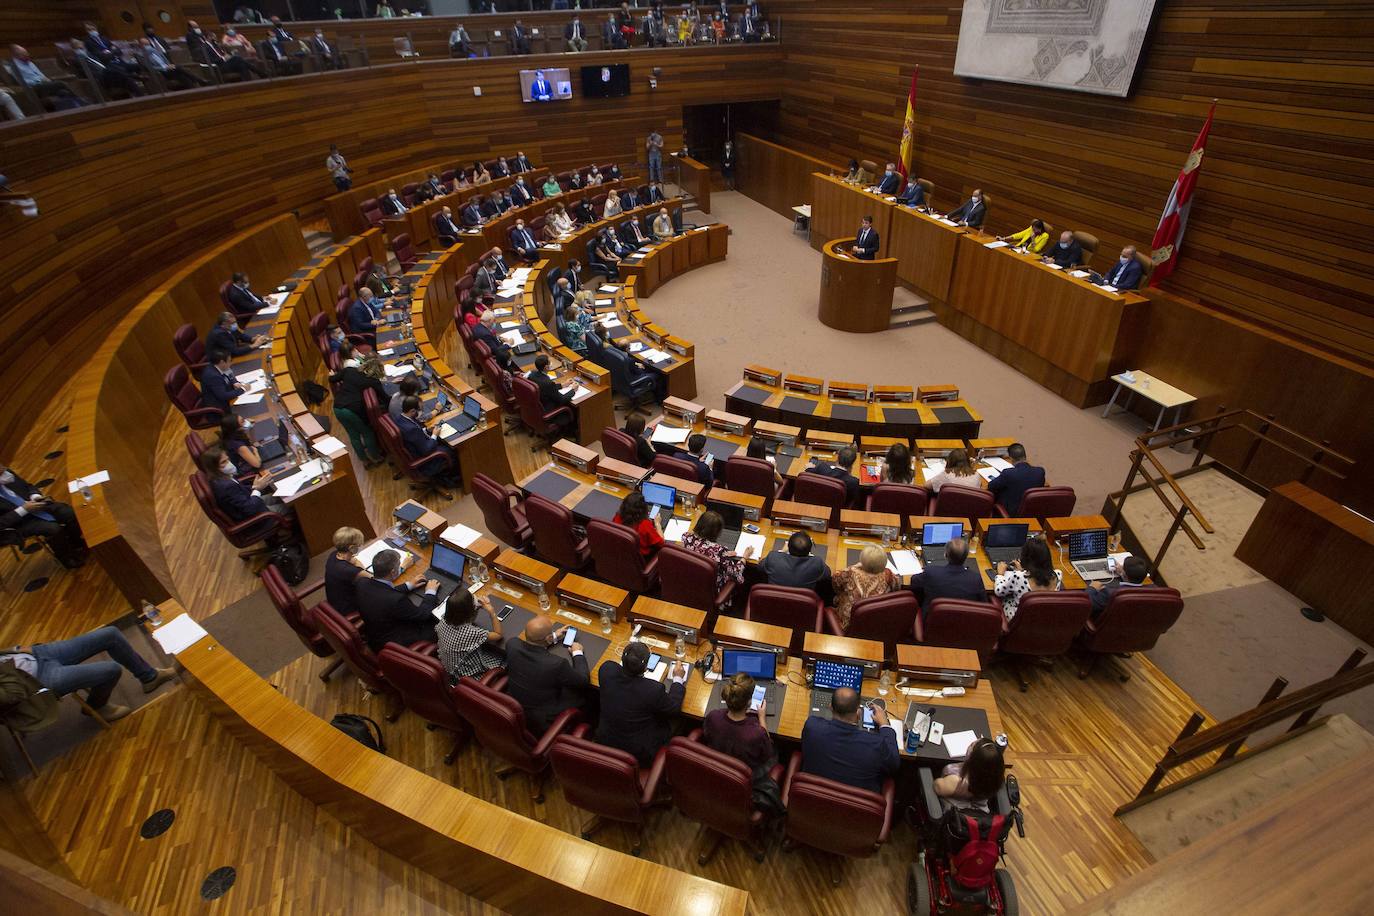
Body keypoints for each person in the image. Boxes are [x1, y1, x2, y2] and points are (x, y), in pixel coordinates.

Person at [0, 627, 175, 724]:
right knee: (110, 670)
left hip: (37, 654)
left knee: (110, 634)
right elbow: (12, 696)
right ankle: (97, 706)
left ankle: (149, 677)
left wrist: (18, 650)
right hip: (37, 682)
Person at [595, 641, 688, 766]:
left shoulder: (606, 670)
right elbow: (674, 708)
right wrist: (677, 678)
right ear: (645, 667)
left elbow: (616, 669)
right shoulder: (653, 690)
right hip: (638, 753)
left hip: (605, 740)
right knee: (682, 721)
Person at [800, 687, 901, 794]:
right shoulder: (875, 744)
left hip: (812, 801)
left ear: (830, 707)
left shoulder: (812, 727)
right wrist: (885, 725)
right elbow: (894, 765)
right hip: (854, 807)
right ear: (858, 713)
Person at [504, 615, 588, 733]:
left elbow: (532, 644)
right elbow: (583, 681)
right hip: (541, 717)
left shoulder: (512, 644)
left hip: (515, 703)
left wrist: (553, 637)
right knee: (585, 695)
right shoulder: (556, 664)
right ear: (547, 638)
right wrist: (577, 652)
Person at [0, 465, 88, 567]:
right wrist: (23, 510)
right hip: (16, 524)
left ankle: (75, 543)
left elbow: (28, 486)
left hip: (34, 505)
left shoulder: (5, 473)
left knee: (68, 512)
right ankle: (66, 558)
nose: (2, 467)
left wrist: (35, 496)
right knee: (52, 529)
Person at [355, 549, 440, 652]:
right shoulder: (396, 600)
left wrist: (408, 585)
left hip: (375, 635)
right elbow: (422, 615)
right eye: (399, 564)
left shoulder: (362, 583)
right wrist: (430, 592)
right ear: (393, 572)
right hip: (396, 643)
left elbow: (382, 591)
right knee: (439, 622)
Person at [328, 342, 387, 467]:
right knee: (367, 433)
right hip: (352, 409)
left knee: (353, 435)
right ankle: (376, 458)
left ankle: (364, 461)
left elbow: (333, 379)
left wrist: (332, 376)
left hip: (337, 407)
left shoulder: (348, 370)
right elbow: (385, 398)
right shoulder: (372, 380)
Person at [703, 673, 775, 769]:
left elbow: (707, 736)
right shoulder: (757, 733)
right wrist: (762, 717)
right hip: (746, 774)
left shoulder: (713, 716)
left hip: (717, 767)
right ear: (749, 702)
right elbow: (767, 753)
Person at [198, 445, 283, 524]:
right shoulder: (226, 486)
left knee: (281, 495)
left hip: (249, 501)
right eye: (223, 462)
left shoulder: (221, 477)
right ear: (214, 467)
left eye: (228, 459)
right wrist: (257, 489)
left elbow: (239, 492)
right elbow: (250, 509)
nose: (229, 463)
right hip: (255, 517)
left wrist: (255, 486)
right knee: (287, 505)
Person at [437, 591, 506, 680]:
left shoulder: (444, 619)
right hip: (468, 674)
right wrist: (491, 611)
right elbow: (498, 634)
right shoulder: (471, 632)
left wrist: (476, 606)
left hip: (450, 666)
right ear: (470, 610)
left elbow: (468, 618)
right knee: (504, 658)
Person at [908, 537, 985, 614]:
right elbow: (983, 603)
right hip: (963, 622)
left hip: (932, 622)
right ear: (966, 556)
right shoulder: (975, 579)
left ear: (945, 555)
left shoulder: (931, 572)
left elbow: (914, 581)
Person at [831, 544, 899, 629]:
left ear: (862, 560)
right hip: (877, 621)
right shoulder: (889, 575)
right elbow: (896, 589)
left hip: (850, 622)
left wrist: (854, 567)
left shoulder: (850, 573)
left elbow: (835, 583)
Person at [994, 537, 1061, 622]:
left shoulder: (1018, 577)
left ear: (1025, 558)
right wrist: (1023, 570)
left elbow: (999, 591)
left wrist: (1000, 574)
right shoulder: (1058, 574)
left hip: (1019, 620)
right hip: (1043, 619)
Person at [680, 511, 751, 592]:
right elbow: (736, 574)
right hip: (710, 591)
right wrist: (744, 558)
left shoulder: (686, 538)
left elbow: (693, 537)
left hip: (689, 583)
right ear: (717, 533)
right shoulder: (719, 551)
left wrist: (724, 556)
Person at [934, 737, 1006, 813]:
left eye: (972, 745)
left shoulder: (956, 781)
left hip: (952, 813)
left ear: (973, 760)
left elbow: (936, 787)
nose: (970, 745)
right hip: (979, 812)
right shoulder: (993, 778)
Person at [395, 397, 458, 481]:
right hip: (424, 462)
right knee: (451, 449)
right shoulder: (411, 429)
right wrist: (434, 435)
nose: (421, 412)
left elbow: (415, 436)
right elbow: (427, 450)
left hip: (414, 449)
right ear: (412, 411)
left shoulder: (399, 418)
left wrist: (427, 430)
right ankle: (451, 478)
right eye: (420, 410)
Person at [6, 46, 86, 110]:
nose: (27, 54)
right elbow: (22, 82)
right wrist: (40, 80)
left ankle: (72, 109)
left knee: (63, 92)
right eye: (23, 53)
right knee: (60, 83)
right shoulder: (14, 66)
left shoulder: (29, 62)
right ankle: (80, 100)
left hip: (43, 85)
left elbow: (40, 74)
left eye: (26, 52)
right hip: (34, 88)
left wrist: (45, 79)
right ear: (16, 55)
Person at [186, 21, 264, 80]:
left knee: (241, 64)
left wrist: (227, 56)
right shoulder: (205, 47)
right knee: (238, 59)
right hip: (220, 66)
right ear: (209, 37)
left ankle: (249, 84)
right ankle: (259, 72)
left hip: (225, 63)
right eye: (213, 37)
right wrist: (223, 58)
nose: (215, 39)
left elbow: (223, 53)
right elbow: (212, 60)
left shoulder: (215, 45)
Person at [760, 531, 830, 594]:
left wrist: (782, 551)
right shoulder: (817, 563)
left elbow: (760, 566)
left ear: (788, 547)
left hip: (772, 602)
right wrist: (810, 555)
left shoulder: (773, 558)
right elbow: (828, 574)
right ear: (809, 549)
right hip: (801, 606)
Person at [987, 443, 1046, 515]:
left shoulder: (1008, 473)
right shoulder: (1040, 472)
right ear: (1025, 456)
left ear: (1011, 458)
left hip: (1011, 512)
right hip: (1031, 512)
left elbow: (990, 486)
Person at [527, 354, 577, 439]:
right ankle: (570, 432)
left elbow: (546, 388)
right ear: (546, 367)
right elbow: (561, 400)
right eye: (550, 363)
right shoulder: (547, 382)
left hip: (538, 407)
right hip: (549, 411)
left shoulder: (532, 375)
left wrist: (562, 385)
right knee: (573, 407)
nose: (551, 364)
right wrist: (573, 390)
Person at [1086, 555, 1151, 617]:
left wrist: (1092, 588)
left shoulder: (1110, 593)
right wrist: (1122, 573)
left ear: (1125, 574)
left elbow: (1087, 603)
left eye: (1123, 567)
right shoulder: (1151, 592)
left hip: (1105, 625)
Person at [326, 526, 369, 616]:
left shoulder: (334, 555)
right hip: (347, 608)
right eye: (360, 544)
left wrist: (358, 564)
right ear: (352, 548)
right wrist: (362, 569)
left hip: (336, 599)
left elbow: (354, 560)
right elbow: (375, 579)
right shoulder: (349, 571)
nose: (362, 545)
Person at [138, 37, 205, 90]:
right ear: (141, 46)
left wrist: (169, 65)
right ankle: (198, 80)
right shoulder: (142, 56)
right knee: (179, 67)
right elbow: (150, 68)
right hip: (162, 72)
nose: (148, 47)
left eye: (148, 44)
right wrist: (165, 67)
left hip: (170, 70)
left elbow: (165, 60)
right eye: (145, 45)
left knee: (182, 76)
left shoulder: (155, 51)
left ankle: (194, 89)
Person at [613, 491, 663, 557]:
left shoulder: (617, 516)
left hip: (621, 554)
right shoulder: (645, 524)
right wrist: (657, 524)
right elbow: (661, 544)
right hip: (641, 559)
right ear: (643, 508)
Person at [199, 349, 243, 414]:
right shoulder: (213, 376)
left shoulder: (220, 366)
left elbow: (230, 375)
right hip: (219, 408)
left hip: (226, 394)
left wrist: (235, 382)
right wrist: (243, 389)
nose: (231, 363)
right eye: (229, 361)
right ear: (222, 362)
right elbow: (223, 396)